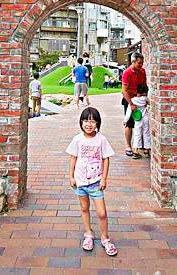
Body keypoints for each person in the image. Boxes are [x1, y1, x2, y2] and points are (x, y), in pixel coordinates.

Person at [66, 107, 118, 256]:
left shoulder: (101, 139)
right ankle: (88, 234)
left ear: (97, 123)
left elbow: (106, 159)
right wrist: (71, 176)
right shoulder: (77, 139)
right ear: (81, 122)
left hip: (96, 182)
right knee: (84, 208)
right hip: (80, 182)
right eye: (85, 121)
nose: (89, 124)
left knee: (101, 213)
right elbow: (73, 158)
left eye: (92, 121)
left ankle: (105, 238)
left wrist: (104, 178)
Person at [121, 52, 146, 157]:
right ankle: (128, 146)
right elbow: (124, 91)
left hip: (139, 99)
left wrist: (144, 98)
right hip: (129, 99)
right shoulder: (127, 73)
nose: (141, 65)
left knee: (142, 122)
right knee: (130, 123)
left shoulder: (142, 71)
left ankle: (141, 145)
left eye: (142, 63)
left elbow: (144, 86)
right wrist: (131, 104)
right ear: (133, 62)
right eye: (139, 63)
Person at [123, 84, 150, 159]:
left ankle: (135, 151)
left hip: (138, 120)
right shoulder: (145, 99)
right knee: (146, 133)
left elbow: (129, 112)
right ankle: (147, 150)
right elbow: (150, 104)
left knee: (137, 134)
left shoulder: (133, 100)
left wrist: (125, 120)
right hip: (145, 118)